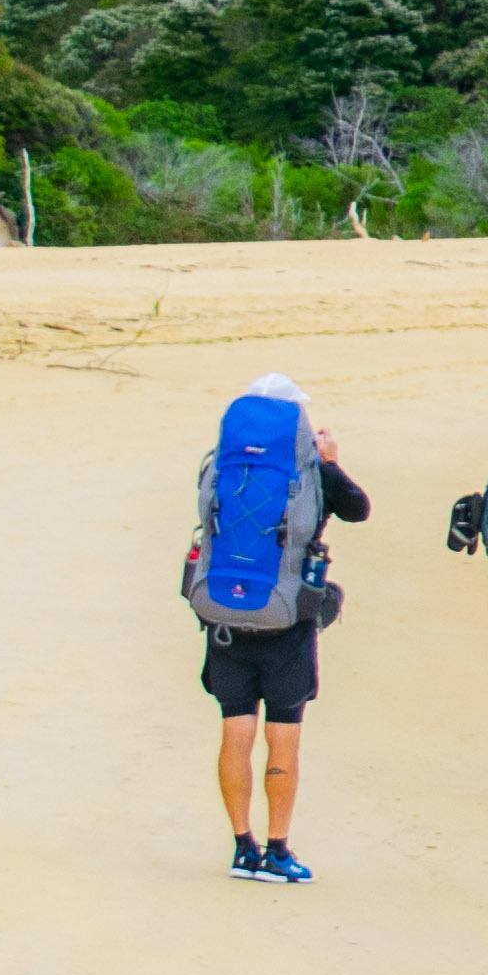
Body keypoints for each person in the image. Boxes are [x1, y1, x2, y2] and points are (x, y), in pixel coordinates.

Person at [194, 373, 367, 882]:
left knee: (236, 729)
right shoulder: (313, 471)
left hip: (224, 616)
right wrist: (331, 461)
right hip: (287, 621)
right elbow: (358, 509)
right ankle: (277, 850)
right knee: (283, 737)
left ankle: (242, 847)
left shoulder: (221, 464)